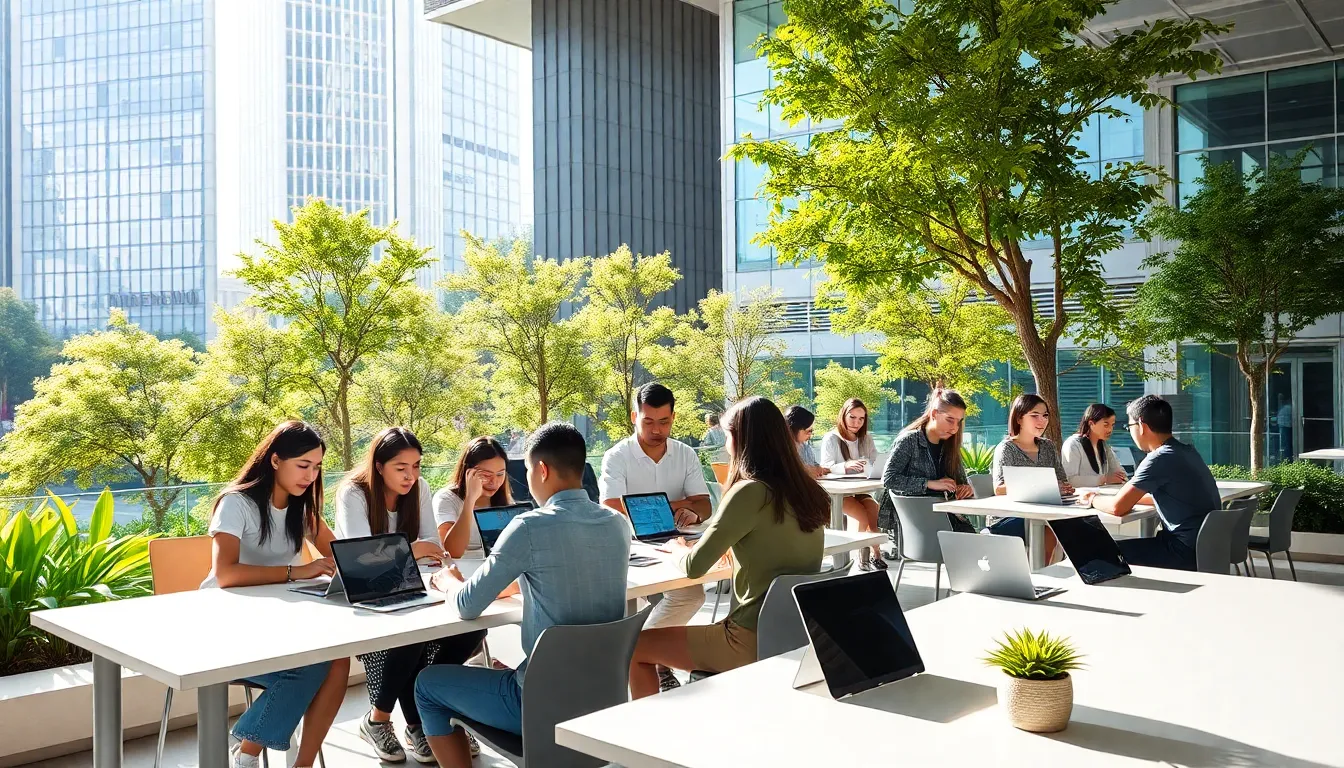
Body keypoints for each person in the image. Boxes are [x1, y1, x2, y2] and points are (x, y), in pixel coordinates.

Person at [414, 423, 631, 768]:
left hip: (539, 702)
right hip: (605, 697)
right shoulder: (618, 523)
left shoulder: (529, 526)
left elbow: (468, 606)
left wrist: (449, 581)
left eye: (527, 469)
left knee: (426, 685)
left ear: (542, 470)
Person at [629, 396, 827, 698]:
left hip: (746, 640)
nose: (725, 445)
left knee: (635, 646)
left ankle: (643, 740)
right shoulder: (808, 491)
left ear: (741, 438)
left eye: (728, 435)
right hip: (799, 637)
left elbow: (694, 566)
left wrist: (677, 548)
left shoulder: (749, 492)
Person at [200, 421, 350, 768]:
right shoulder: (235, 503)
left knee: (338, 660)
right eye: (303, 465)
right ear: (275, 460)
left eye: (316, 467)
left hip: (276, 624)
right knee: (312, 666)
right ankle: (248, 752)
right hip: (223, 626)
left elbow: (344, 555)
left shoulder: (302, 508)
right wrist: (296, 571)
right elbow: (225, 575)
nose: (310, 476)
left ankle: (303, 764)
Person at [335, 427, 486, 763]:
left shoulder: (419, 489)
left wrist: (415, 554)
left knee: (473, 626)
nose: (410, 475)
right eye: (401, 468)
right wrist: (412, 549)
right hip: (367, 597)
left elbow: (433, 548)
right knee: (412, 636)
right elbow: (359, 556)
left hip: (411, 586)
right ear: (379, 466)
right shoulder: (354, 493)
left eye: (416, 466)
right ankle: (413, 723)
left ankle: (428, 716)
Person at [599, 382, 712, 691]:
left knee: (692, 594)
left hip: (678, 541)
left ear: (673, 418)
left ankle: (641, 653)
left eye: (663, 421)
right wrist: (675, 504)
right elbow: (610, 508)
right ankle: (651, 659)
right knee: (680, 594)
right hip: (631, 544)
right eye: (648, 421)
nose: (656, 429)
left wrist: (686, 511)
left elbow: (704, 503)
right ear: (635, 416)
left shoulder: (685, 454)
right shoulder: (617, 456)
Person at [1083, 395, 1221, 571]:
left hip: (1182, 552)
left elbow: (1118, 508)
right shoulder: (1187, 451)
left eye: (1129, 426)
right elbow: (1170, 497)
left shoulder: (1159, 458)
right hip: (1206, 549)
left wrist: (1092, 498)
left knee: (1098, 551)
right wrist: (1129, 498)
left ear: (1141, 426)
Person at [881, 389, 976, 534]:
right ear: (933, 414)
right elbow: (889, 479)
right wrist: (929, 484)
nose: (955, 428)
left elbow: (961, 481)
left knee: (979, 546)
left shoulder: (950, 445)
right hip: (915, 526)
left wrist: (965, 488)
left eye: (959, 422)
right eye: (950, 420)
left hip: (946, 521)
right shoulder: (909, 440)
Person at [989, 394, 1074, 547]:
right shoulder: (1006, 448)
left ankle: (1046, 569)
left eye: (1045, 415)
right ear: (1019, 418)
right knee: (1052, 526)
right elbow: (999, 489)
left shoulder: (1048, 446)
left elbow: (1062, 479)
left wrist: (1063, 488)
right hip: (1010, 517)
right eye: (1035, 415)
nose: (1042, 421)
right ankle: (1041, 570)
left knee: (1075, 524)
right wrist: (1047, 487)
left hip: (1046, 512)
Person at [818, 398, 884, 570]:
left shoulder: (866, 438)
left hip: (859, 488)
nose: (857, 423)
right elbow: (825, 467)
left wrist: (873, 468)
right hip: (838, 492)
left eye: (861, 419)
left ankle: (872, 556)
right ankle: (858, 559)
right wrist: (845, 466)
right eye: (853, 417)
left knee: (873, 510)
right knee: (862, 515)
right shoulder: (832, 438)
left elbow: (875, 461)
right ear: (843, 416)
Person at [432, 436, 514, 559]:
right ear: (468, 473)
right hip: (459, 570)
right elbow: (452, 552)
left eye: (500, 474)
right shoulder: (447, 498)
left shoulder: (505, 502)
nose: (494, 482)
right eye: (486, 475)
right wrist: (470, 499)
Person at [1061, 404, 1128, 488]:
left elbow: (1120, 473)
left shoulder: (1104, 445)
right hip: (1082, 497)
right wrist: (1104, 479)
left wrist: (1120, 477)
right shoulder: (1073, 444)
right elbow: (1070, 480)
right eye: (1106, 425)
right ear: (1091, 423)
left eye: (1112, 425)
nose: (1110, 430)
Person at [784, 405, 831, 479]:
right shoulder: (783, 450)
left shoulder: (806, 447)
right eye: (808, 431)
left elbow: (815, 465)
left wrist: (819, 469)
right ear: (795, 428)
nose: (810, 435)